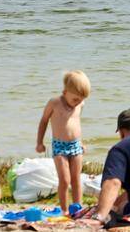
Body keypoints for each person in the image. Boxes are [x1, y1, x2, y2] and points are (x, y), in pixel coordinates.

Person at [36, 70, 91, 216]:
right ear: (65, 92)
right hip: (59, 146)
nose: (78, 102)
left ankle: (77, 208)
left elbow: (76, 123)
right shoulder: (54, 103)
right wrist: (39, 142)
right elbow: (44, 121)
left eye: (81, 99)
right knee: (65, 180)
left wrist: (82, 142)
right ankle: (64, 210)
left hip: (76, 145)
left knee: (76, 179)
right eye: (75, 99)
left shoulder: (80, 104)